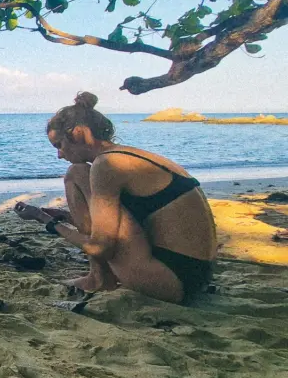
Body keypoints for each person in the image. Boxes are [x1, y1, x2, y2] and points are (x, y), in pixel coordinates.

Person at [14, 92, 217, 304]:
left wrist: (45, 220)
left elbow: (100, 247)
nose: (59, 155)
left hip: (169, 282)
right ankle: (101, 276)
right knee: (80, 173)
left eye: (59, 145)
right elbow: (137, 225)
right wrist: (66, 217)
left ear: (79, 133)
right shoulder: (131, 156)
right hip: (195, 277)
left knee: (76, 173)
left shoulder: (107, 165)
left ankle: (99, 279)